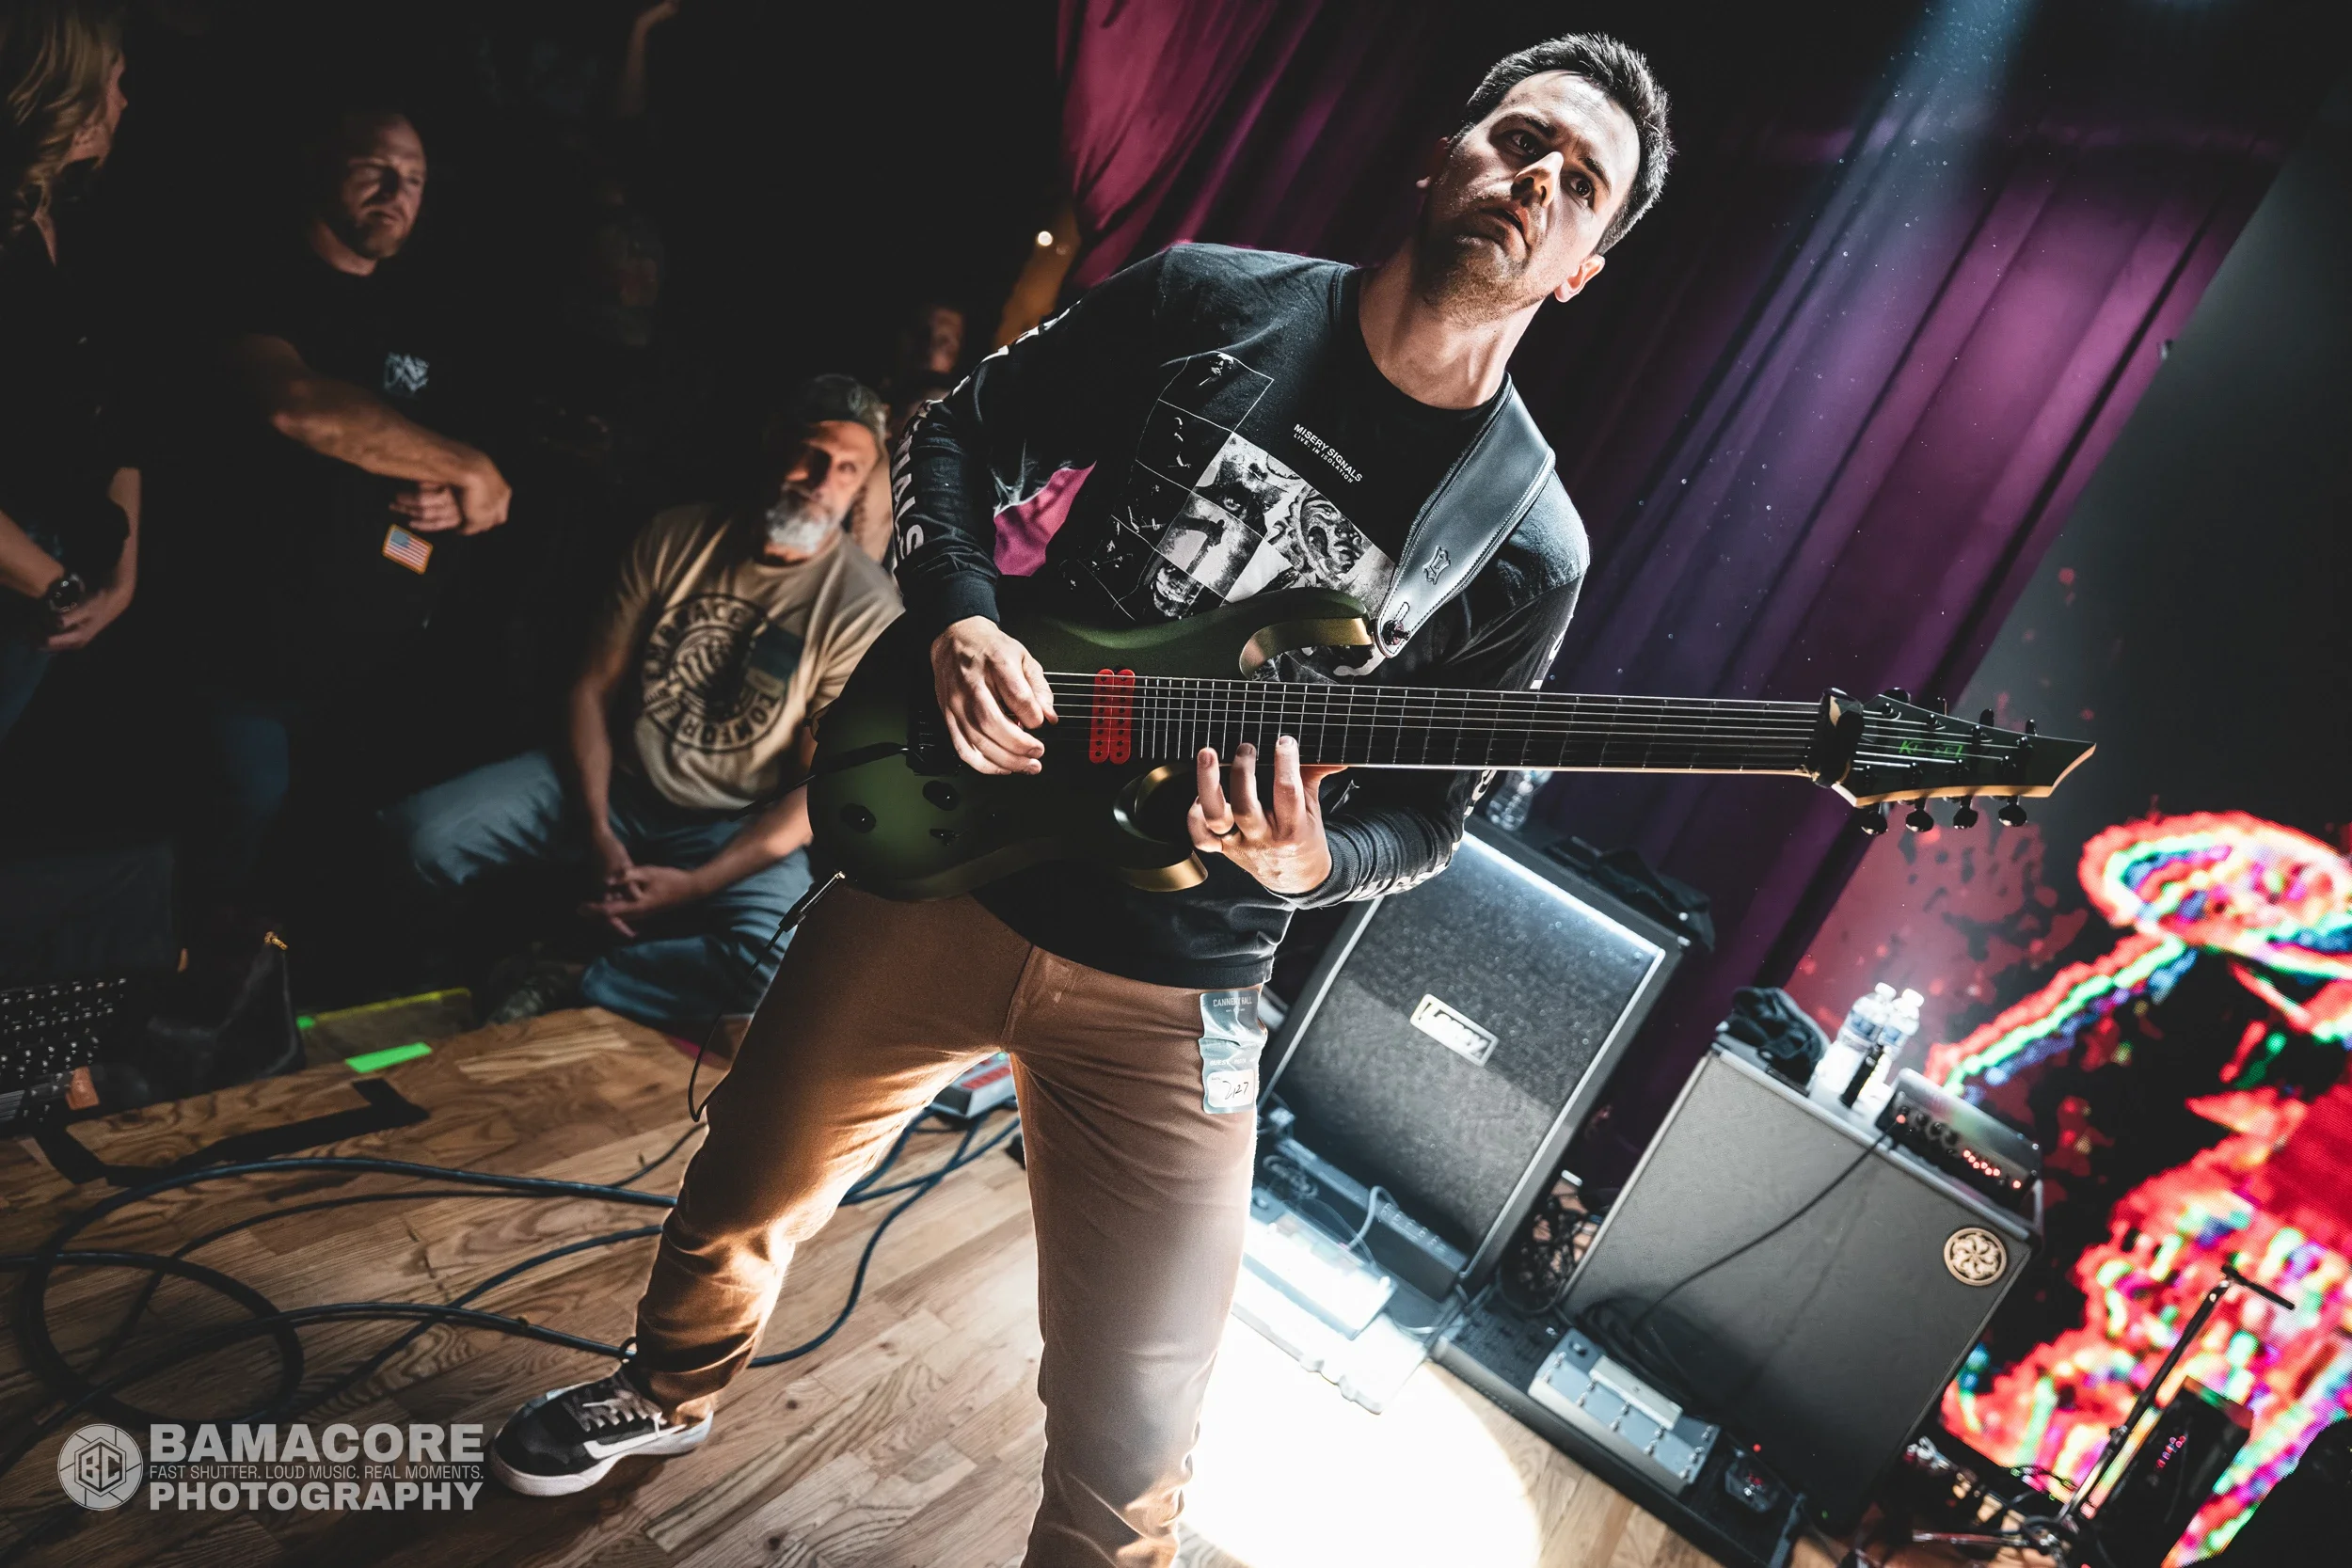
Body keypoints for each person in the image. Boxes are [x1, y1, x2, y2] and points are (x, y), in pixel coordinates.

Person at [488, 32, 1672, 1568]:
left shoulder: (1523, 543)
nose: (1540, 184)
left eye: (1583, 186)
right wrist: (963, 611)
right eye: (1523, 140)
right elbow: (967, 433)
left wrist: (1313, 856)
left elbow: (1432, 818)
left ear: (1582, 269)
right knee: (739, 1192)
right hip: (954, 858)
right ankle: (669, 1387)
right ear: (1445, 151)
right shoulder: (1213, 298)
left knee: (1133, 1444)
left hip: (1182, 984)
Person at [380, 375, 900, 1028]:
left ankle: (569, 977)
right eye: (812, 453)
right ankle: (419, 989)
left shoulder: (865, 607)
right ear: (774, 446)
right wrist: (599, 828)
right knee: (416, 837)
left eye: (848, 469)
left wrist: (698, 882)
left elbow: (815, 791)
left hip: (730, 822)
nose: (823, 479)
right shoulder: (677, 534)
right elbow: (592, 687)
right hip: (610, 785)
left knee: (774, 975)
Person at [169, 102, 511, 908]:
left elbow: (468, 472)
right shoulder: (260, 279)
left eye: (416, 180)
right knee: (222, 852)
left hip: (369, 673)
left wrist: (461, 500)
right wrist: (466, 466)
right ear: (324, 166)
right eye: (376, 168)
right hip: (242, 659)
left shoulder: (421, 314)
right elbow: (297, 406)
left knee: (319, 870)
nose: (397, 191)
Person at [0, 0, 135, 748]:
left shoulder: (75, 221)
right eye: (115, 82)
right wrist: (54, 582)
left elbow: (116, 407)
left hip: (56, 586)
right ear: (68, 101)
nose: (124, 103)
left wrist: (123, 571)